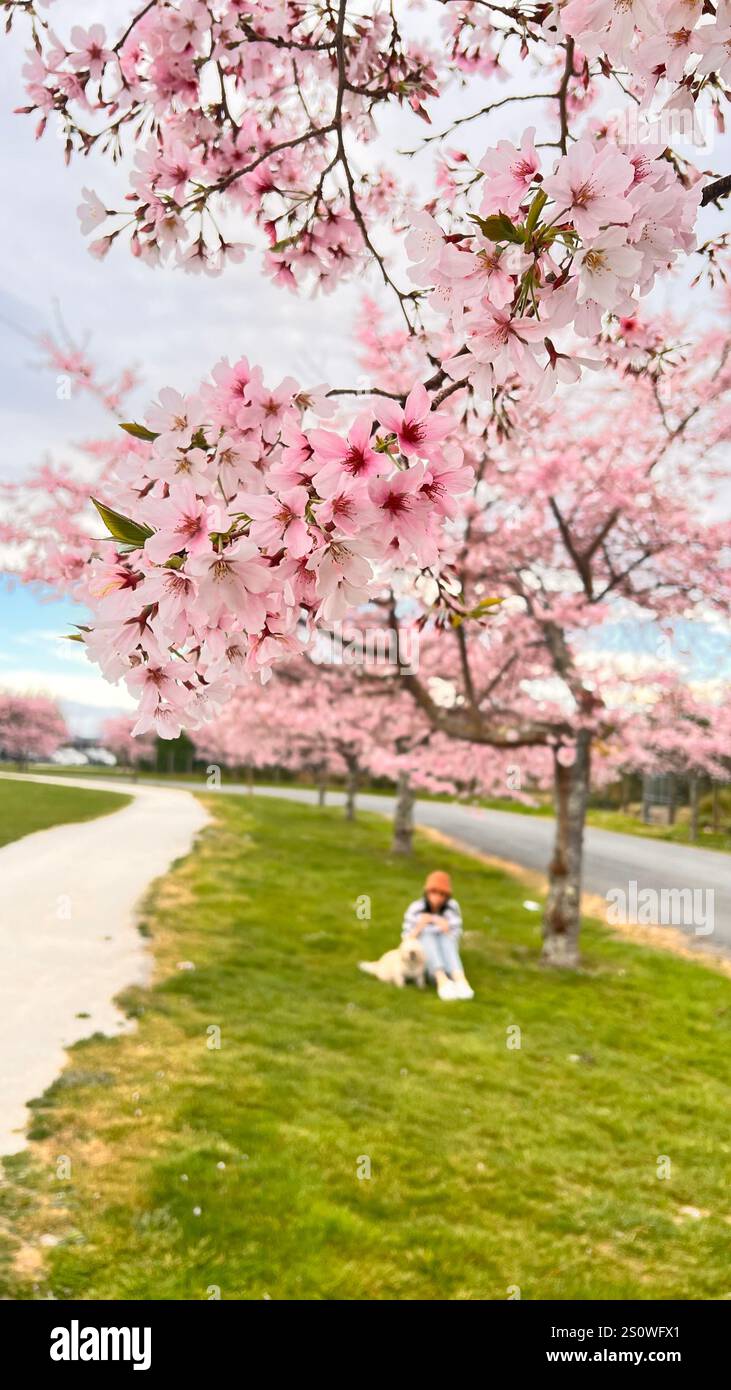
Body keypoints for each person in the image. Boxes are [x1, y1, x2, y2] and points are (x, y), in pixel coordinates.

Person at [402, 871, 474, 1001]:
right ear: (427, 892)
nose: (437, 897)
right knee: (427, 935)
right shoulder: (416, 908)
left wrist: (443, 926)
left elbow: (455, 935)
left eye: (442, 894)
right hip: (423, 961)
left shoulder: (452, 907)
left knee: (445, 937)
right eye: (434, 892)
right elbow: (407, 939)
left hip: (447, 955)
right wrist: (420, 926)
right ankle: (441, 981)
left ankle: (460, 979)